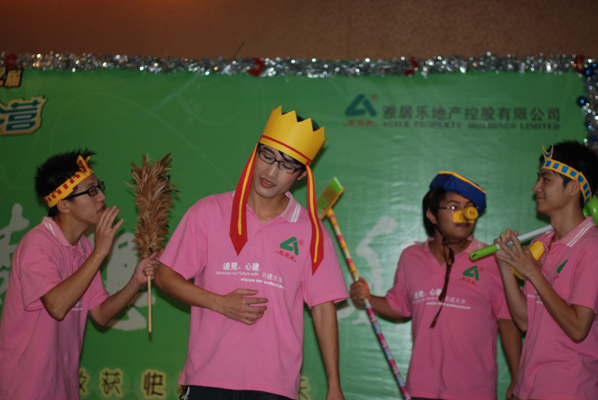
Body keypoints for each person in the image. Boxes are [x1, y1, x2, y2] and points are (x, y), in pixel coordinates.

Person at [155, 106, 348, 400]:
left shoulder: (311, 230)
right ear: (255, 152)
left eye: (286, 165)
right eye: (267, 155)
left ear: (300, 175)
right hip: (209, 376)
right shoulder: (208, 211)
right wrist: (220, 303)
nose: (271, 171)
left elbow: (323, 308)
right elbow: (165, 276)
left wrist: (334, 386)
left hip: (274, 384)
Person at [0, 150, 158, 399]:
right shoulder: (38, 243)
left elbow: (100, 314)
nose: (102, 196)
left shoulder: (83, 247)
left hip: (61, 386)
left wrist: (135, 282)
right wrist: (100, 252)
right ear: (63, 204)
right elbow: (57, 306)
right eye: (91, 191)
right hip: (25, 388)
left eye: (99, 187)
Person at [350, 171, 521, 400]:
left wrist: (518, 378)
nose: (464, 215)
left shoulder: (492, 259)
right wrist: (367, 298)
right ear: (431, 214)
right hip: (421, 389)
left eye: (470, 208)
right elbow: (399, 307)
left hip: (474, 391)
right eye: (453, 207)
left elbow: (508, 321)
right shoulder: (410, 257)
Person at [494, 141, 598, 400]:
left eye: (545, 179)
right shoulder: (542, 244)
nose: (536, 187)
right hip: (530, 387)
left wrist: (533, 273)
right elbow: (524, 321)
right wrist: (506, 265)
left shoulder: (592, 247)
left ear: (573, 187)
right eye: (538, 178)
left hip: (568, 389)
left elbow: (578, 329)